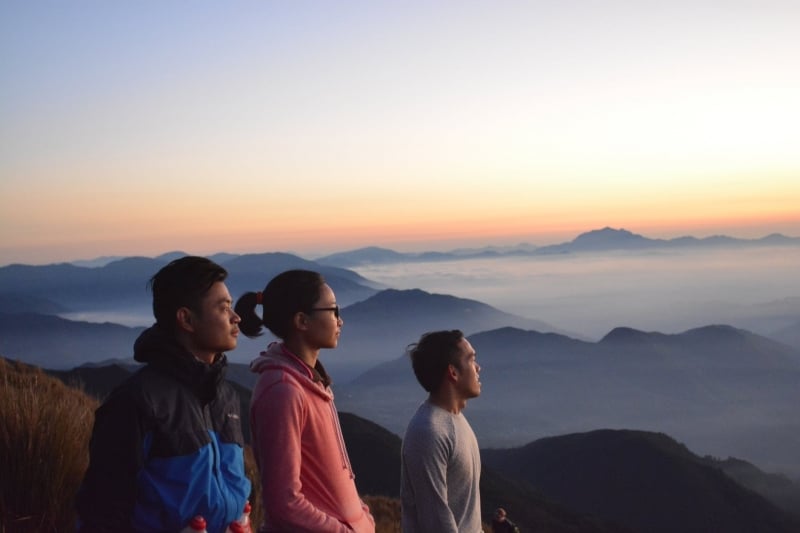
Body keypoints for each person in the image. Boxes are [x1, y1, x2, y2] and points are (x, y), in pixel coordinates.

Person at [77, 256, 251, 532]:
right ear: (186, 319)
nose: (236, 317)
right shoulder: (136, 402)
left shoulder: (225, 397)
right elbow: (102, 516)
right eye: (223, 308)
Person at [236, 269, 375, 532]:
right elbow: (284, 503)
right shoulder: (283, 391)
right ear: (302, 320)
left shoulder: (309, 381)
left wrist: (362, 516)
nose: (340, 321)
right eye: (333, 311)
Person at [400, 329, 482, 532]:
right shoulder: (428, 432)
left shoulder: (455, 419)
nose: (478, 368)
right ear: (453, 372)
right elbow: (436, 522)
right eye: (471, 360)